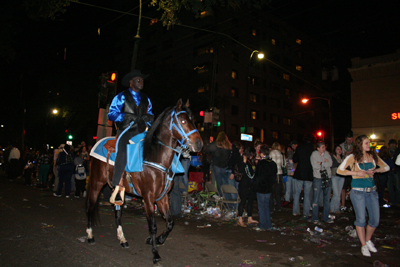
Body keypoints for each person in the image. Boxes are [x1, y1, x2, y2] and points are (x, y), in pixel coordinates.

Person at [337, 135, 389, 257]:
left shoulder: (373, 156)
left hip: (372, 192)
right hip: (358, 192)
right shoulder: (352, 157)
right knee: (360, 219)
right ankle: (363, 245)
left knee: (375, 220)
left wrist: (375, 171)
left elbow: (386, 167)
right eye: (366, 143)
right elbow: (340, 170)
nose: (369, 145)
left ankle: (368, 239)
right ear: (360, 145)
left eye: (369, 143)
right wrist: (357, 173)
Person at [107, 69, 154, 205]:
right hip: (126, 130)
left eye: (142, 80)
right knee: (122, 151)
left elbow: (150, 113)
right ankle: (117, 184)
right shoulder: (121, 96)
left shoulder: (146, 98)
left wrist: (149, 118)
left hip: (141, 131)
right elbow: (111, 114)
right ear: (131, 82)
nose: (141, 82)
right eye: (138, 80)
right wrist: (125, 116)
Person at [252, 145, 277, 231]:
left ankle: (262, 225)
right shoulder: (273, 163)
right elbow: (274, 177)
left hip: (261, 188)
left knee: (261, 207)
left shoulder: (261, 163)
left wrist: (255, 186)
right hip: (269, 188)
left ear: (261, 153)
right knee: (266, 206)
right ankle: (268, 225)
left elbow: (257, 176)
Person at [292, 134, 315, 218]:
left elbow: (295, 159)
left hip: (299, 172)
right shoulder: (312, 148)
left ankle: (295, 211)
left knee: (297, 193)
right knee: (307, 194)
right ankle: (306, 212)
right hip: (309, 173)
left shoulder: (300, 147)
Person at [310, 142, 333, 223]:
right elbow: (315, 166)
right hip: (318, 178)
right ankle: (315, 218)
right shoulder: (314, 154)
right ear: (318, 148)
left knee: (327, 199)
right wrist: (324, 163)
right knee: (316, 199)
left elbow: (330, 163)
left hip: (327, 178)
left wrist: (321, 163)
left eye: (325, 147)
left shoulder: (327, 154)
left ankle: (325, 217)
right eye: (322, 147)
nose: (324, 149)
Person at [236, 147, 258, 227]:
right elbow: (241, 170)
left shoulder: (252, 162)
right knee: (243, 201)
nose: (252, 157)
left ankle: (249, 217)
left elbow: (254, 172)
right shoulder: (242, 161)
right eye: (251, 155)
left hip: (251, 185)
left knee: (250, 201)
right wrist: (244, 161)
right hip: (244, 185)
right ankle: (240, 219)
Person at [207, 132, 232, 196]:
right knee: (225, 182)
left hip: (217, 165)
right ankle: (226, 195)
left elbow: (209, 150)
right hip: (224, 166)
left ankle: (220, 195)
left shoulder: (215, 145)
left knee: (218, 181)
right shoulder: (228, 146)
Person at [269, 142, 284, 212]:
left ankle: (271, 208)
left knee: (271, 192)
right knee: (278, 193)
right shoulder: (281, 154)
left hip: (272, 174)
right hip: (279, 174)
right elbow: (284, 164)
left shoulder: (271, 153)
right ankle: (279, 207)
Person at [330, 145, 345, 213]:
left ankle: (336, 208)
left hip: (341, 176)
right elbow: (332, 165)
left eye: (340, 149)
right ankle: (331, 207)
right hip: (334, 176)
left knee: (338, 193)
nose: (339, 150)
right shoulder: (332, 157)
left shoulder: (343, 158)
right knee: (336, 193)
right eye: (338, 149)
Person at [388, 139, 400, 204]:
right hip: (389, 171)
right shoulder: (387, 151)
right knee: (390, 187)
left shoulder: (398, 151)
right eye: (392, 144)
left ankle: (398, 201)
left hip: (396, 171)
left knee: (397, 187)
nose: (393, 145)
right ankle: (392, 201)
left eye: (394, 144)